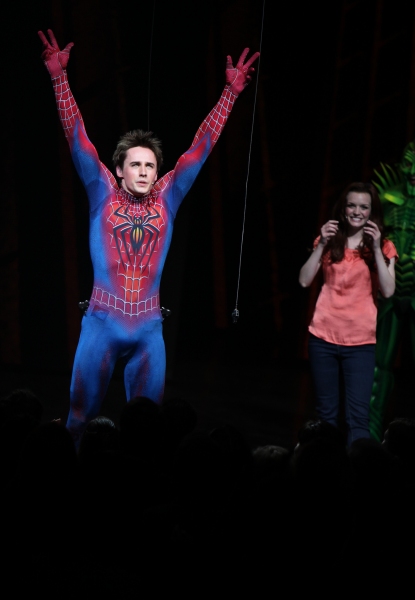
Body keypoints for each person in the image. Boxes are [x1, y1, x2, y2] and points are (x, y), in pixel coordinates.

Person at [38, 29, 259, 446]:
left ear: (158, 172)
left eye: (150, 165)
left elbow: (201, 147)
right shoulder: (101, 190)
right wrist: (58, 79)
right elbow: (78, 137)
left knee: (147, 431)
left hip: (148, 330)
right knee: (78, 421)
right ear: (119, 169)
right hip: (102, 323)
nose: (143, 171)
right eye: (135, 164)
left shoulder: (168, 197)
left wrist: (230, 93)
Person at [299, 182, 397, 446]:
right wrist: (320, 246)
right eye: (351, 205)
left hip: (360, 344)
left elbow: (388, 291)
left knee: (357, 418)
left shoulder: (385, 247)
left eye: (363, 207)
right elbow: (304, 280)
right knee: (326, 417)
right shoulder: (329, 241)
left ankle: (359, 479)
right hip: (323, 338)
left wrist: (376, 249)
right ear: (343, 209)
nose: (357, 211)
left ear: (371, 212)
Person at [369, 142, 415, 441]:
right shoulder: (388, 197)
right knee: (380, 365)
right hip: (391, 289)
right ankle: (370, 431)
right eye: (408, 163)